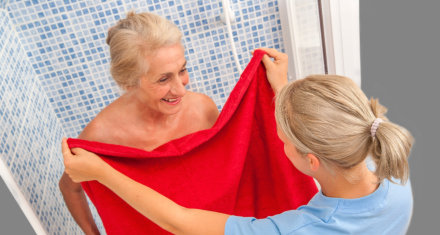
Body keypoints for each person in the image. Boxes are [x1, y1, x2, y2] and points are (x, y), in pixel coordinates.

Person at [62, 48, 414, 234]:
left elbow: (179, 223)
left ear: (312, 162)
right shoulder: (392, 171)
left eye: (284, 139)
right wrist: (282, 87)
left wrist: (103, 173)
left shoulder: (296, 229)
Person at [58, 11, 219, 234]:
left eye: (182, 70)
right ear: (128, 82)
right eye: (163, 79)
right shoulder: (101, 136)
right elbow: (70, 188)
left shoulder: (203, 109)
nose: (182, 89)